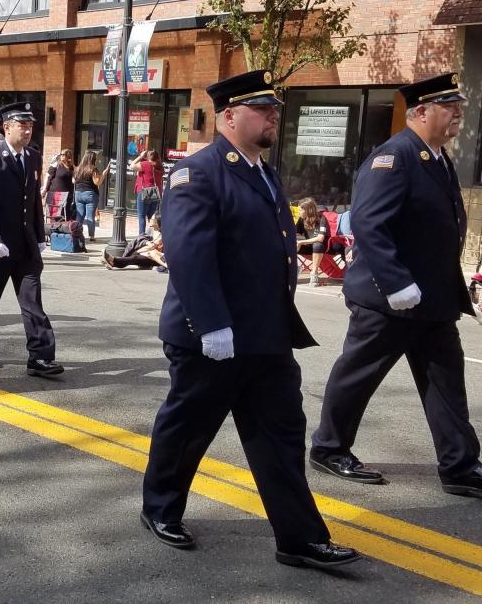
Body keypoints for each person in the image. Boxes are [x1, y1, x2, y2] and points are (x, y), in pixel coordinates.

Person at [141, 70, 359, 569]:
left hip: (265, 335)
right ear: (230, 117)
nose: (272, 117)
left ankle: (299, 537)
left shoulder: (263, 171)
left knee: (280, 434)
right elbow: (190, 255)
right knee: (188, 428)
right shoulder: (197, 173)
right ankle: (160, 508)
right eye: (263, 109)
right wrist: (213, 325)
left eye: (274, 109)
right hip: (212, 336)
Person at [309, 73, 482, 496]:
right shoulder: (395, 157)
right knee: (358, 375)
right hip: (391, 299)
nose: (458, 113)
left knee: (446, 381)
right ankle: (329, 448)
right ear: (420, 112)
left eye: (459, 106)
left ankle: (460, 465)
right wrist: (396, 283)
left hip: (433, 300)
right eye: (449, 107)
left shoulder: (436, 157)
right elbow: (370, 224)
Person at [0, 102, 63, 377]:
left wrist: (39, 233)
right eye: (22, 124)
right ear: (7, 127)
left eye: (31, 125)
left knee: (32, 301)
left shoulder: (32, 157)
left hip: (25, 244)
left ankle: (40, 356)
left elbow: (32, 199)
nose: (28, 129)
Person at [73, 150, 109, 242]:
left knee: (79, 216)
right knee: (90, 216)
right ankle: (91, 236)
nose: (96, 160)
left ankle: (76, 234)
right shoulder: (93, 169)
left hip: (78, 193)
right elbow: (97, 182)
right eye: (95, 159)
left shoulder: (78, 169)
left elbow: (73, 181)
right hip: (90, 194)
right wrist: (103, 174)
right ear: (93, 159)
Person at [295, 197, 330, 287]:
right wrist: (296, 241)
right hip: (307, 246)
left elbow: (320, 238)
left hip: (320, 249)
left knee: (317, 245)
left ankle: (314, 274)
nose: (299, 212)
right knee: (289, 243)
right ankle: (293, 269)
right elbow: (294, 233)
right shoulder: (301, 219)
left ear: (308, 210)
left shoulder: (321, 218)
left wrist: (301, 242)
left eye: (300, 210)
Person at [131, 149, 163, 236]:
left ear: (148, 157)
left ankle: (141, 237)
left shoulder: (146, 164)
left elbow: (132, 166)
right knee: (151, 217)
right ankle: (153, 235)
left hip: (145, 191)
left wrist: (140, 156)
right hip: (155, 192)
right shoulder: (159, 166)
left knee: (142, 216)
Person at [44, 148, 75, 221]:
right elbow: (47, 176)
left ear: (68, 156)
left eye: (63, 154)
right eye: (61, 154)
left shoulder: (72, 167)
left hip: (67, 195)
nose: (61, 156)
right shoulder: (56, 165)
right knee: (55, 215)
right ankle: (53, 230)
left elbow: (74, 180)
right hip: (56, 194)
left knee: (66, 214)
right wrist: (45, 189)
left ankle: (64, 230)